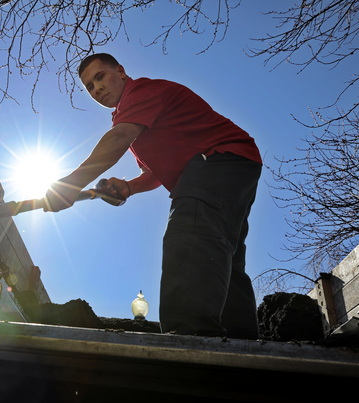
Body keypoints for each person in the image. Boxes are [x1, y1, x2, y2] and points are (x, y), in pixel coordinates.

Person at [44, 53, 262, 339]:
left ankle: (190, 336)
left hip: (219, 157)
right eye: (89, 86)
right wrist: (130, 187)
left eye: (100, 77)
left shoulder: (141, 93)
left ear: (121, 71)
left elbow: (118, 139)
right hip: (232, 167)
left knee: (191, 233)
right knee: (223, 255)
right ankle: (241, 340)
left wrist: (71, 184)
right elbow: (156, 174)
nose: (96, 89)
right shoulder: (134, 115)